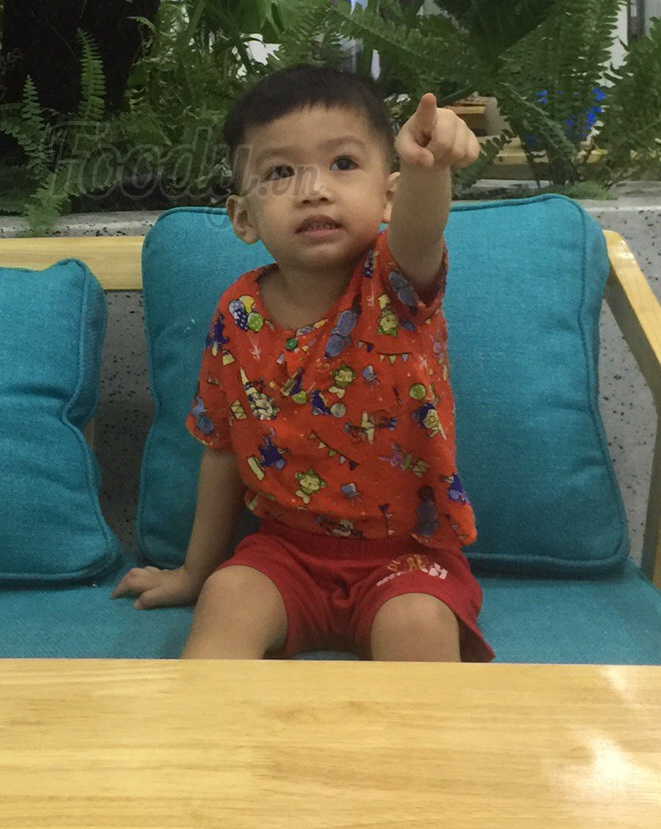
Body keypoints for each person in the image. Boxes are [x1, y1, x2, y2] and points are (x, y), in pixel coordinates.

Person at [114, 63, 494, 662]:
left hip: (409, 559)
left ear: (389, 195)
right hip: (283, 554)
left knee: (418, 623)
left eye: (343, 163)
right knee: (227, 596)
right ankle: (205, 723)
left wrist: (428, 167)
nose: (313, 189)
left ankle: (412, 732)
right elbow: (222, 450)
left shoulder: (395, 284)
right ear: (244, 218)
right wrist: (194, 573)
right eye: (281, 173)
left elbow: (423, 229)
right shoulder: (238, 314)